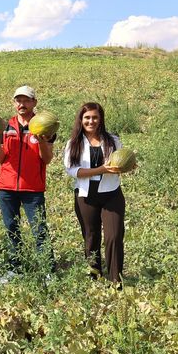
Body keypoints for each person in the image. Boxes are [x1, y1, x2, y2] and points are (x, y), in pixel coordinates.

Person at [0, 85, 55, 280]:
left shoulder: (44, 125)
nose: (22, 104)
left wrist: (41, 141)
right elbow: (1, 158)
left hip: (33, 187)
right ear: (14, 103)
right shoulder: (4, 127)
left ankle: (47, 271)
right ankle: (14, 270)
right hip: (6, 187)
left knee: (39, 229)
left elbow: (47, 159)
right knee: (11, 229)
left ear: (34, 103)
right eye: (18, 100)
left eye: (26, 100)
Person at [63, 102, 127, 284]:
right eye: (87, 118)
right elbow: (72, 171)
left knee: (114, 236)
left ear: (101, 119)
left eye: (95, 117)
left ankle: (116, 280)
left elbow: (119, 164)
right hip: (85, 195)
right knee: (91, 237)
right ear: (81, 120)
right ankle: (94, 275)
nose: (91, 121)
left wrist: (127, 166)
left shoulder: (113, 140)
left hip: (111, 193)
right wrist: (101, 170)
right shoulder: (73, 143)